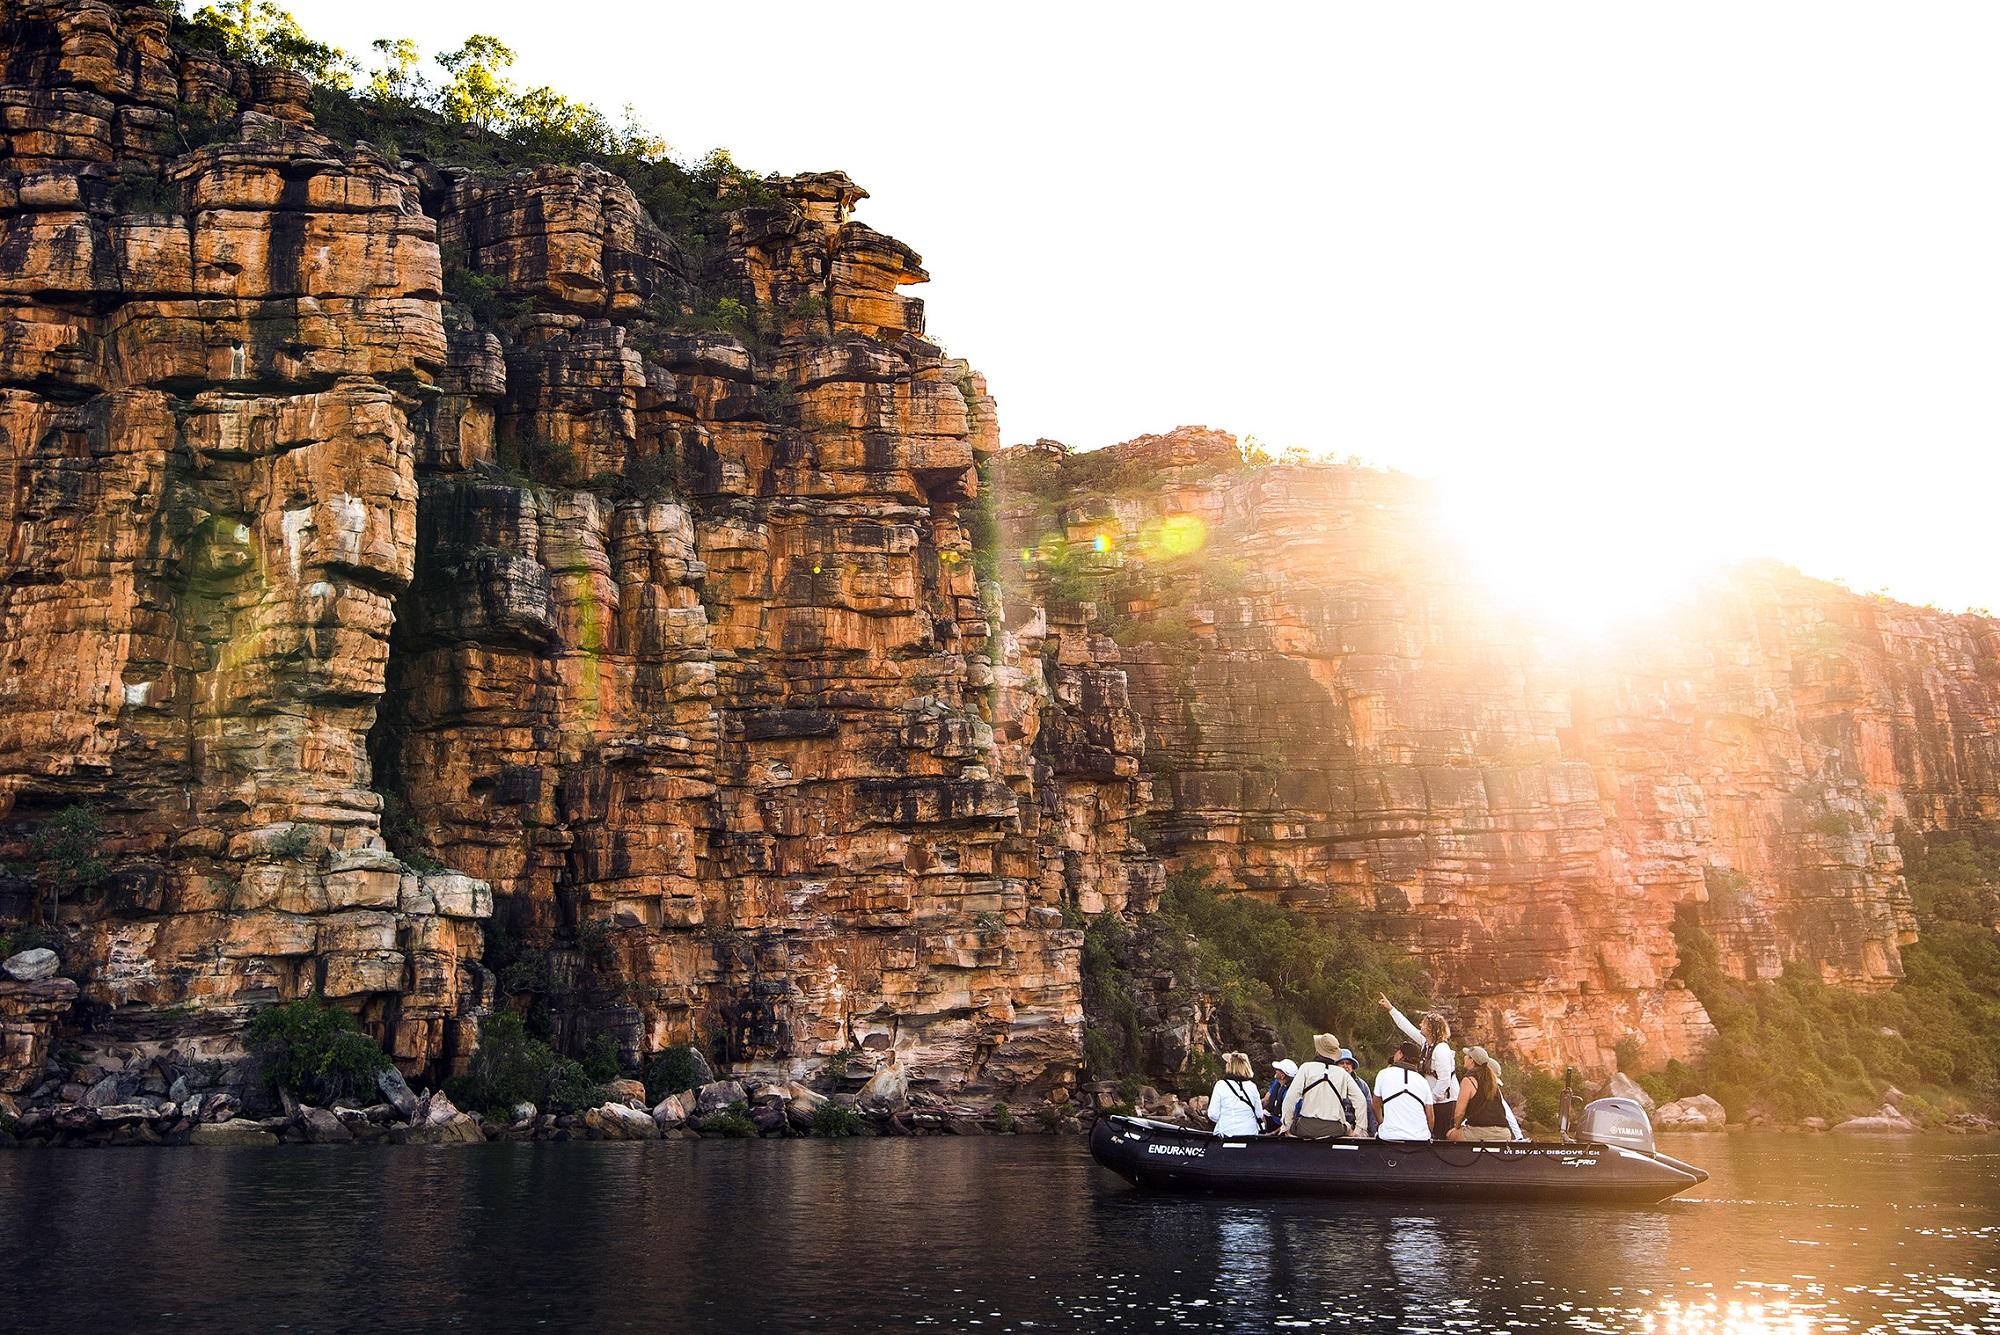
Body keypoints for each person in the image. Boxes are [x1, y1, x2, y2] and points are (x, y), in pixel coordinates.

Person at [1379, 994, 1455, 1135]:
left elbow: (1444, 1081)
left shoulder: (1441, 1051)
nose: (1420, 1025)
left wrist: (1429, 1100)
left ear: (1431, 1029)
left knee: (1440, 1137)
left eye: (1424, 1024)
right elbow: (1406, 1027)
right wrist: (1391, 1009)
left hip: (1444, 1103)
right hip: (1433, 1101)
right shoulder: (1427, 1044)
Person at [1281, 1033, 1369, 1140]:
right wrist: (1359, 1129)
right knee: (1348, 1127)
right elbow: (1360, 1100)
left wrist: (1287, 1126)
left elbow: (1290, 1098)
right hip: (1335, 1129)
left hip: (1306, 1127)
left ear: (1318, 1051)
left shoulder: (1306, 1068)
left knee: (1294, 1125)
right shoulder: (1342, 1073)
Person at [1447, 1045, 1518, 1141]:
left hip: (1480, 1132)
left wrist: (1457, 1126)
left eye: (1467, 1056)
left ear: (1472, 1060)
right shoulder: (1492, 1082)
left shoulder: (1468, 1080)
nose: (1464, 1057)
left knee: (1450, 1135)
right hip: (1504, 1133)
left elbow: (1459, 1113)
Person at [1373, 1040, 1435, 1141]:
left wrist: (1382, 1123)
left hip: (1390, 1137)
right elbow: (1430, 1116)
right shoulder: (1423, 1081)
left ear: (1400, 1054)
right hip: (1420, 1139)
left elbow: (1376, 1105)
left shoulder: (1383, 1074)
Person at [1205, 1051, 1266, 1137]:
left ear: (1230, 1066)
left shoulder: (1221, 1085)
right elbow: (1259, 1114)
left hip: (1226, 1133)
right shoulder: (1252, 1086)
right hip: (1250, 1133)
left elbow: (1213, 1114)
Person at [1335, 1048, 1381, 1136]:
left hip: (1357, 1128)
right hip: (1336, 1127)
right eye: (1341, 1063)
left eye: (1348, 1063)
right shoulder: (1330, 1082)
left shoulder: (1362, 1085)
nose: (1345, 1066)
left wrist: (1373, 1132)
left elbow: (1369, 1110)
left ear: (1352, 1066)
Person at [1263, 1058, 1299, 1130]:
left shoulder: (1287, 1094)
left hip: (1279, 1123)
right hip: (1275, 1117)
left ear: (1282, 1076)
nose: (1275, 1070)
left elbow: (1289, 1119)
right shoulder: (1278, 1082)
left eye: (1278, 1070)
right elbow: (1266, 1099)